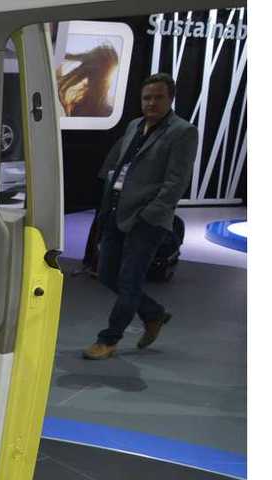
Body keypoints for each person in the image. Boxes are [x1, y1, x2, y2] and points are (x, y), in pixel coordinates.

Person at [83, 73, 198, 360]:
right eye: (147, 98)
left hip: (147, 220)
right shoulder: (135, 125)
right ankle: (153, 313)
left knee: (129, 281)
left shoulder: (183, 132)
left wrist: (149, 215)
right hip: (116, 211)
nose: (151, 103)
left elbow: (176, 182)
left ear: (170, 98)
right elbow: (121, 167)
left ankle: (108, 340)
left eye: (158, 97)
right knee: (107, 275)